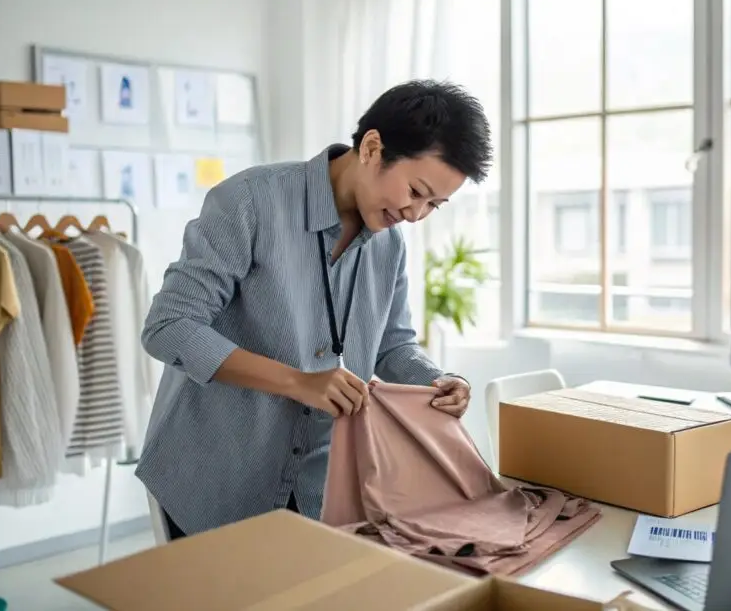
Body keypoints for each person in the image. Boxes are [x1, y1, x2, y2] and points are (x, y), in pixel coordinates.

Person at [135, 80, 493, 539]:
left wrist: (438, 380)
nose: (415, 213)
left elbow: (393, 344)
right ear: (371, 147)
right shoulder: (248, 202)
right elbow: (169, 325)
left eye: (434, 205)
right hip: (216, 476)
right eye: (416, 190)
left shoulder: (390, 246)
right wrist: (298, 382)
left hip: (317, 488)